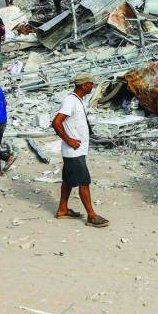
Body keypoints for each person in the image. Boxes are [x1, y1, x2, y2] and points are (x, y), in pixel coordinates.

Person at [52, 73, 108, 227]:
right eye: (91, 84)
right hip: (73, 150)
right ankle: (91, 215)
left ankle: (62, 209)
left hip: (77, 149)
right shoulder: (71, 100)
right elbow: (56, 122)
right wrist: (69, 140)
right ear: (84, 85)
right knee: (84, 181)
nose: (93, 86)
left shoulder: (79, 100)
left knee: (68, 180)